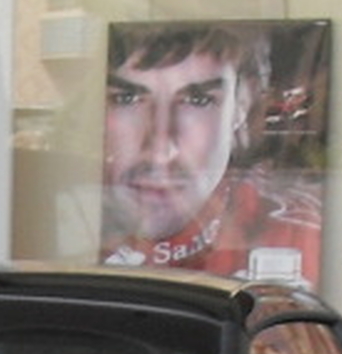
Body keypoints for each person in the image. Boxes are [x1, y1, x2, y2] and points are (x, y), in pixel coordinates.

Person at [100, 21, 321, 279]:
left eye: (198, 100)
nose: (161, 151)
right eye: (126, 99)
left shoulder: (294, 235)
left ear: (242, 104)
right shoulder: (66, 226)